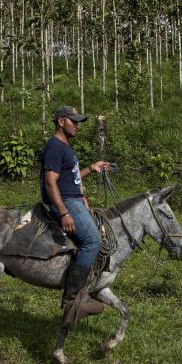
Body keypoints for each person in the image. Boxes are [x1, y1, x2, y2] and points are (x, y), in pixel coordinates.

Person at [41, 105, 111, 311]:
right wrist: (64, 213)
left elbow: (71, 176)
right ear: (61, 121)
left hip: (73, 199)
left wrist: (91, 168)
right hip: (65, 202)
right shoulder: (54, 146)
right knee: (93, 240)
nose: (77, 126)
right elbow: (50, 182)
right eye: (74, 121)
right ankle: (72, 298)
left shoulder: (65, 147)